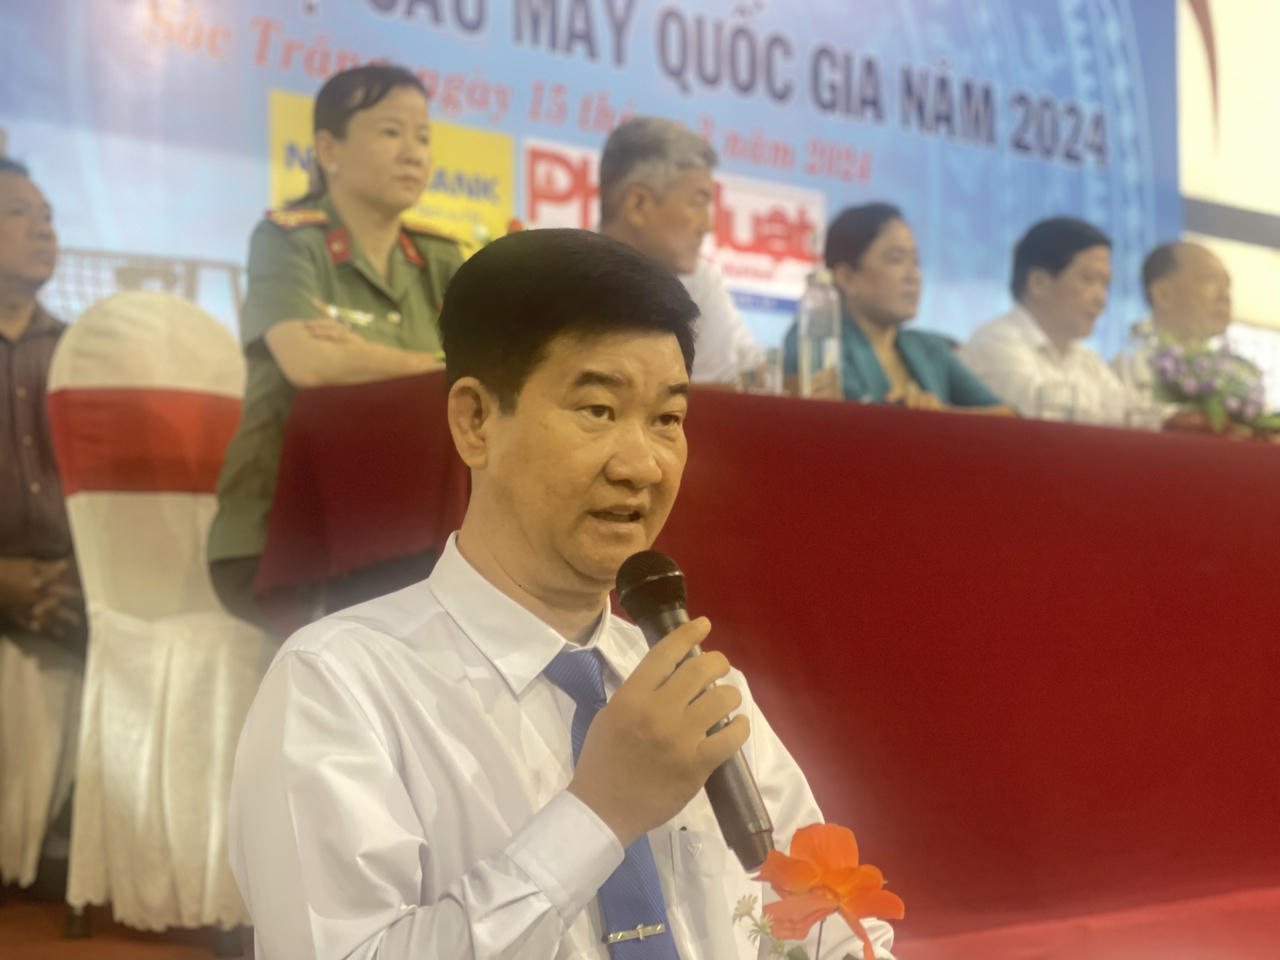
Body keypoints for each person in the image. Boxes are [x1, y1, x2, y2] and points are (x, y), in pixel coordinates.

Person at [226, 229, 896, 960]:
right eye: (598, 410)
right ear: (476, 421)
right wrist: (598, 813)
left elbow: (828, 931)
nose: (642, 466)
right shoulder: (340, 685)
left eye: (667, 419)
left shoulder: (695, 691)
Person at [207, 65, 464, 627]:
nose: (414, 153)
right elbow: (310, 362)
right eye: (391, 132)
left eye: (423, 137)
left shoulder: (442, 259)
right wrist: (437, 366)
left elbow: (490, 373)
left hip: (413, 529)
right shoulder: (288, 241)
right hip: (286, 538)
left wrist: (363, 355)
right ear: (328, 148)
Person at [0, 157, 85, 899]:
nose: (44, 229)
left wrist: (73, 580)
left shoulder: (82, 352)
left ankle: (69, 847)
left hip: (70, 588)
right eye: (19, 213)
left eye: (49, 215)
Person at [782, 203, 1011, 414]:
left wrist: (942, 415)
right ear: (846, 277)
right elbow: (843, 419)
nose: (913, 276)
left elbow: (1006, 415)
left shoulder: (930, 347)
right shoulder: (815, 339)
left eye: (916, 262)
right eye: (896, 259)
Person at [598, 116, 765, 387]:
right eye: (698, 201)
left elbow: (735, 380)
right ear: (638, 204)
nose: (708, 225)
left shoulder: (700, 283)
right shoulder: (560, 280)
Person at [959, 217, 1132, 425]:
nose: (1101, 299)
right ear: (1038, 283)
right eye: (1088, 279)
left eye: (1105, 284)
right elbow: (1042, 416)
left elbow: (1130, 417)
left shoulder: (1087, 360)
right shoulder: (994, 344)